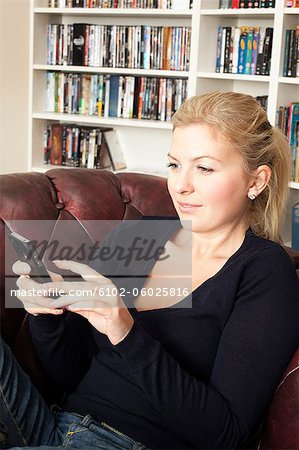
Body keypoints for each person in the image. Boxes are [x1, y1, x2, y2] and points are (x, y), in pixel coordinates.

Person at [2, 91, 299, 450]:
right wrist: (45, 315)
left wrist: (125, 331)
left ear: (256, 181)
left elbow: (226, 433)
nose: (181, 185)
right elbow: (73, 372)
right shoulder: (138, 235)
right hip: (56, 423)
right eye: (174, 165)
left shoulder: (262, 271)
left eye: (204, 168)